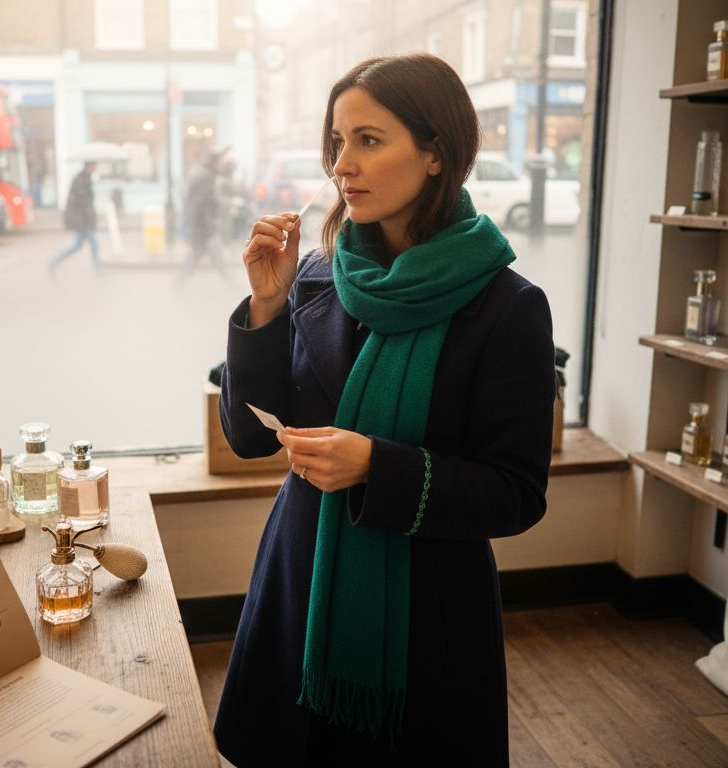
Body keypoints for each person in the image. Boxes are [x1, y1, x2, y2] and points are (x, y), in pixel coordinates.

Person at [215, 53, 555, 765]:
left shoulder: (509, 308)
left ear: (437, 153)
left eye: (369, 140)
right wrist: (266, 305)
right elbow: (250, 437)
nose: (343, 164)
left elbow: (516, 494)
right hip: (299, 577)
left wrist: (377, 466)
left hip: (425, 612)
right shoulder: (317, 275)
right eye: (337, 143)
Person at [51, 161, 99, 271]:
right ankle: (99, 268)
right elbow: (83, 202)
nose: (95, 168)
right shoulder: (80, 180)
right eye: (93, 166)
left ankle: (55, 262)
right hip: (81, 220)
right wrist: (90, 218)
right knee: (90, 243)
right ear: (89, 166)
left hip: (84, 219)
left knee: (79, 245)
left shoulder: (86, 179)